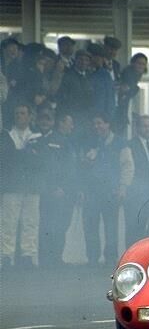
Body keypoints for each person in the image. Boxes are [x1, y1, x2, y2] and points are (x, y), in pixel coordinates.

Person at [80, 113, 133, 265]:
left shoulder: (120, 143)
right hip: (91, 191)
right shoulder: (89, 141)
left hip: (111, 191)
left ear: (108, 124)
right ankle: (92, 258)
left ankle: (110, 257)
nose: (97, 126)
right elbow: (82, 167)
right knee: (90, 225)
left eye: (100, 123)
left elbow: (127, 165)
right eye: (95, 124)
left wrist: (123, 187)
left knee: (111, 226)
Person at [1, 103, 44, 268]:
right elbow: (6, 158)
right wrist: (25, 155)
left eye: (23, 113)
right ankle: (6, 255)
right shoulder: (6, 135)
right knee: (8, 222)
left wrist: (20, 156)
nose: (20, 116)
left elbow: (38, 161)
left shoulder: (36, 136)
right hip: (12, 185)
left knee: (30, 221)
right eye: (17, 113)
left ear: (29, 116)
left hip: (31, 186)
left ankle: (28, 254)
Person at [39, 109, 78, 267]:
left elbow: (73, 169)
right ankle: (48, 258)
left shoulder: (68, 141)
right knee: (51, 224)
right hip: (56, 191)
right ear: (61, 123)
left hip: (68, 191)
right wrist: (55, 186)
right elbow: (51, 167)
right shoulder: (53, 141)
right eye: (70, 123)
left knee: (62, 225)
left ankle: (56, 257)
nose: (72, 126)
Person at [125, 115, 149, 244]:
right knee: (133, 227)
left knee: (146, 227)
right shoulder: (131, 145)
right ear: (137, 127)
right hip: (136, 193)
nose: (148, 129)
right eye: (144, 126)